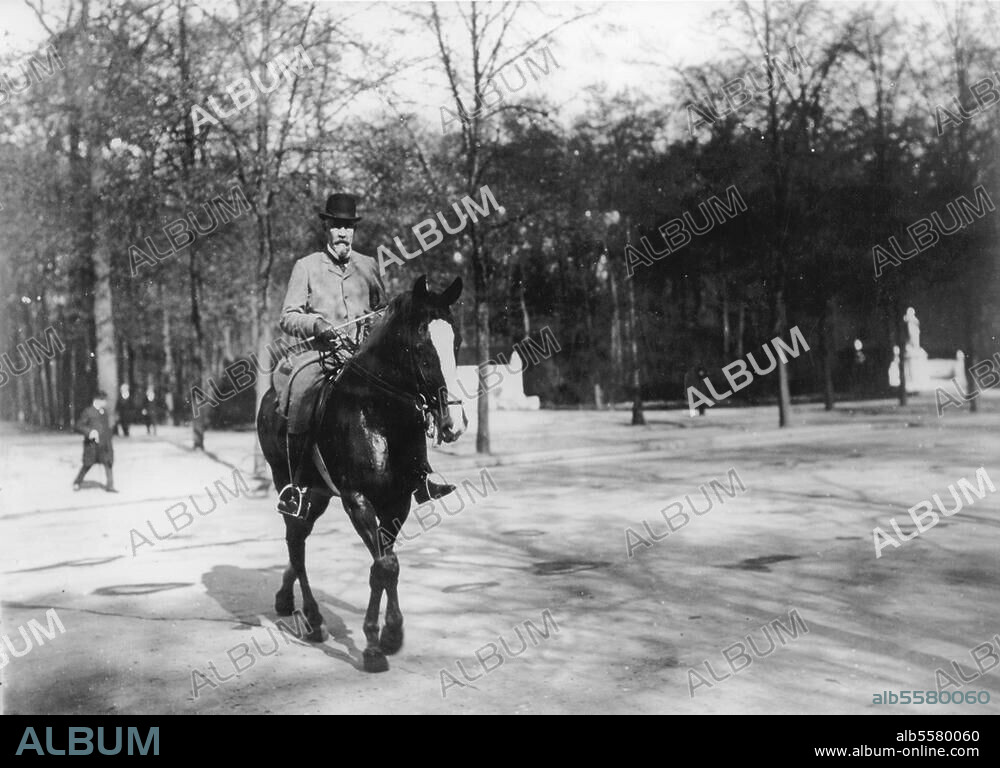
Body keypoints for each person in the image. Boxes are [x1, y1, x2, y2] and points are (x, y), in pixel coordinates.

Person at [277, 193, 454, 514]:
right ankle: (297, 486)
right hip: (320, 357)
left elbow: (381, 314)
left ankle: (422, 476)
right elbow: (287, 316)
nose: (343, 233)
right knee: (300, 394)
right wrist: (316, 324)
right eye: (337, 226)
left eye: (348, 227)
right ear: (327, 227)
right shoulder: (305, 267)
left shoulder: (369, 266)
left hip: (364, 358)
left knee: (405, 395)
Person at [73, 390, 116, 492]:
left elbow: (106, 428)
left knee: (108, 463)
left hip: (104, 444)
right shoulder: (88, 411)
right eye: (104, 400)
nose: (105, 403)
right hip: (92, 445)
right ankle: (77, 482)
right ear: (97, 400)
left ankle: (110, 486)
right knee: (87, 464)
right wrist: (89, 432)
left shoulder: (104, 411)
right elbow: (78, 426)